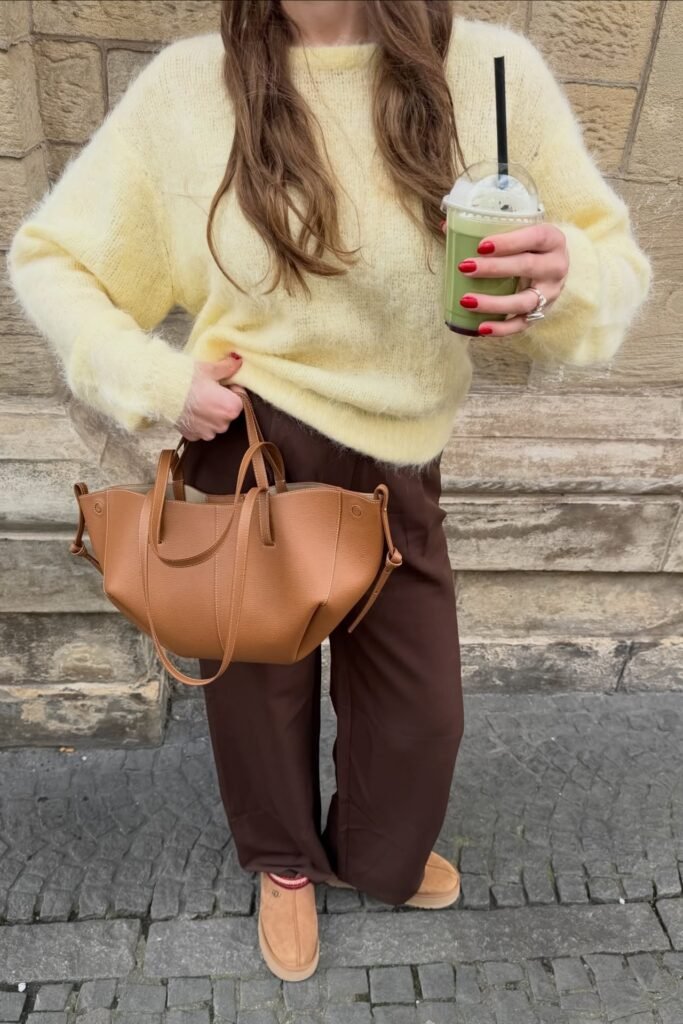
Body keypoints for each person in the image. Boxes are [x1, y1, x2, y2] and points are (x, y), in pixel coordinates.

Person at [7, 0, 652, 984]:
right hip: (254, 441)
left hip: (402, 456)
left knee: (420, 714)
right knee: (256, 692)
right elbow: (53, 258)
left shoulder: (490, 69)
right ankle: (284, 865)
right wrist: (155, 381)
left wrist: (565, 280)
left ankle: (372, 851)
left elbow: (608, 260)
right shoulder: (190, 89)